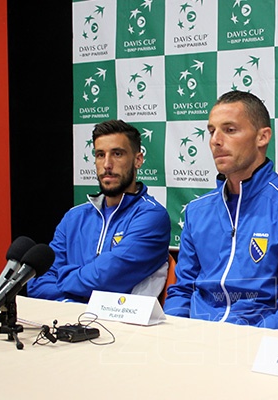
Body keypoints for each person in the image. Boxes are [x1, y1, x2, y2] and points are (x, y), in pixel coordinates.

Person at [164, 91, 278, 333]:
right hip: (193, 344)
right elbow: (182, 291)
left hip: (254, 349)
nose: (216, 140)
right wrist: (174, 335)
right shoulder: (197, 211)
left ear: (262, 137)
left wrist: (237, 345)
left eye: (230, 130)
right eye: (212, 131)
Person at [28, 120, 171, 302]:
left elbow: (105, 280)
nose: (107, 164)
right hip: (67, 323)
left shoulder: (151, 216)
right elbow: (38, 281)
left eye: (117, 154)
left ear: (138, 160)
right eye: (100, 155)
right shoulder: (74, 217)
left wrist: (61, 279)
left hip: (121, 327)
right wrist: (71, 306)